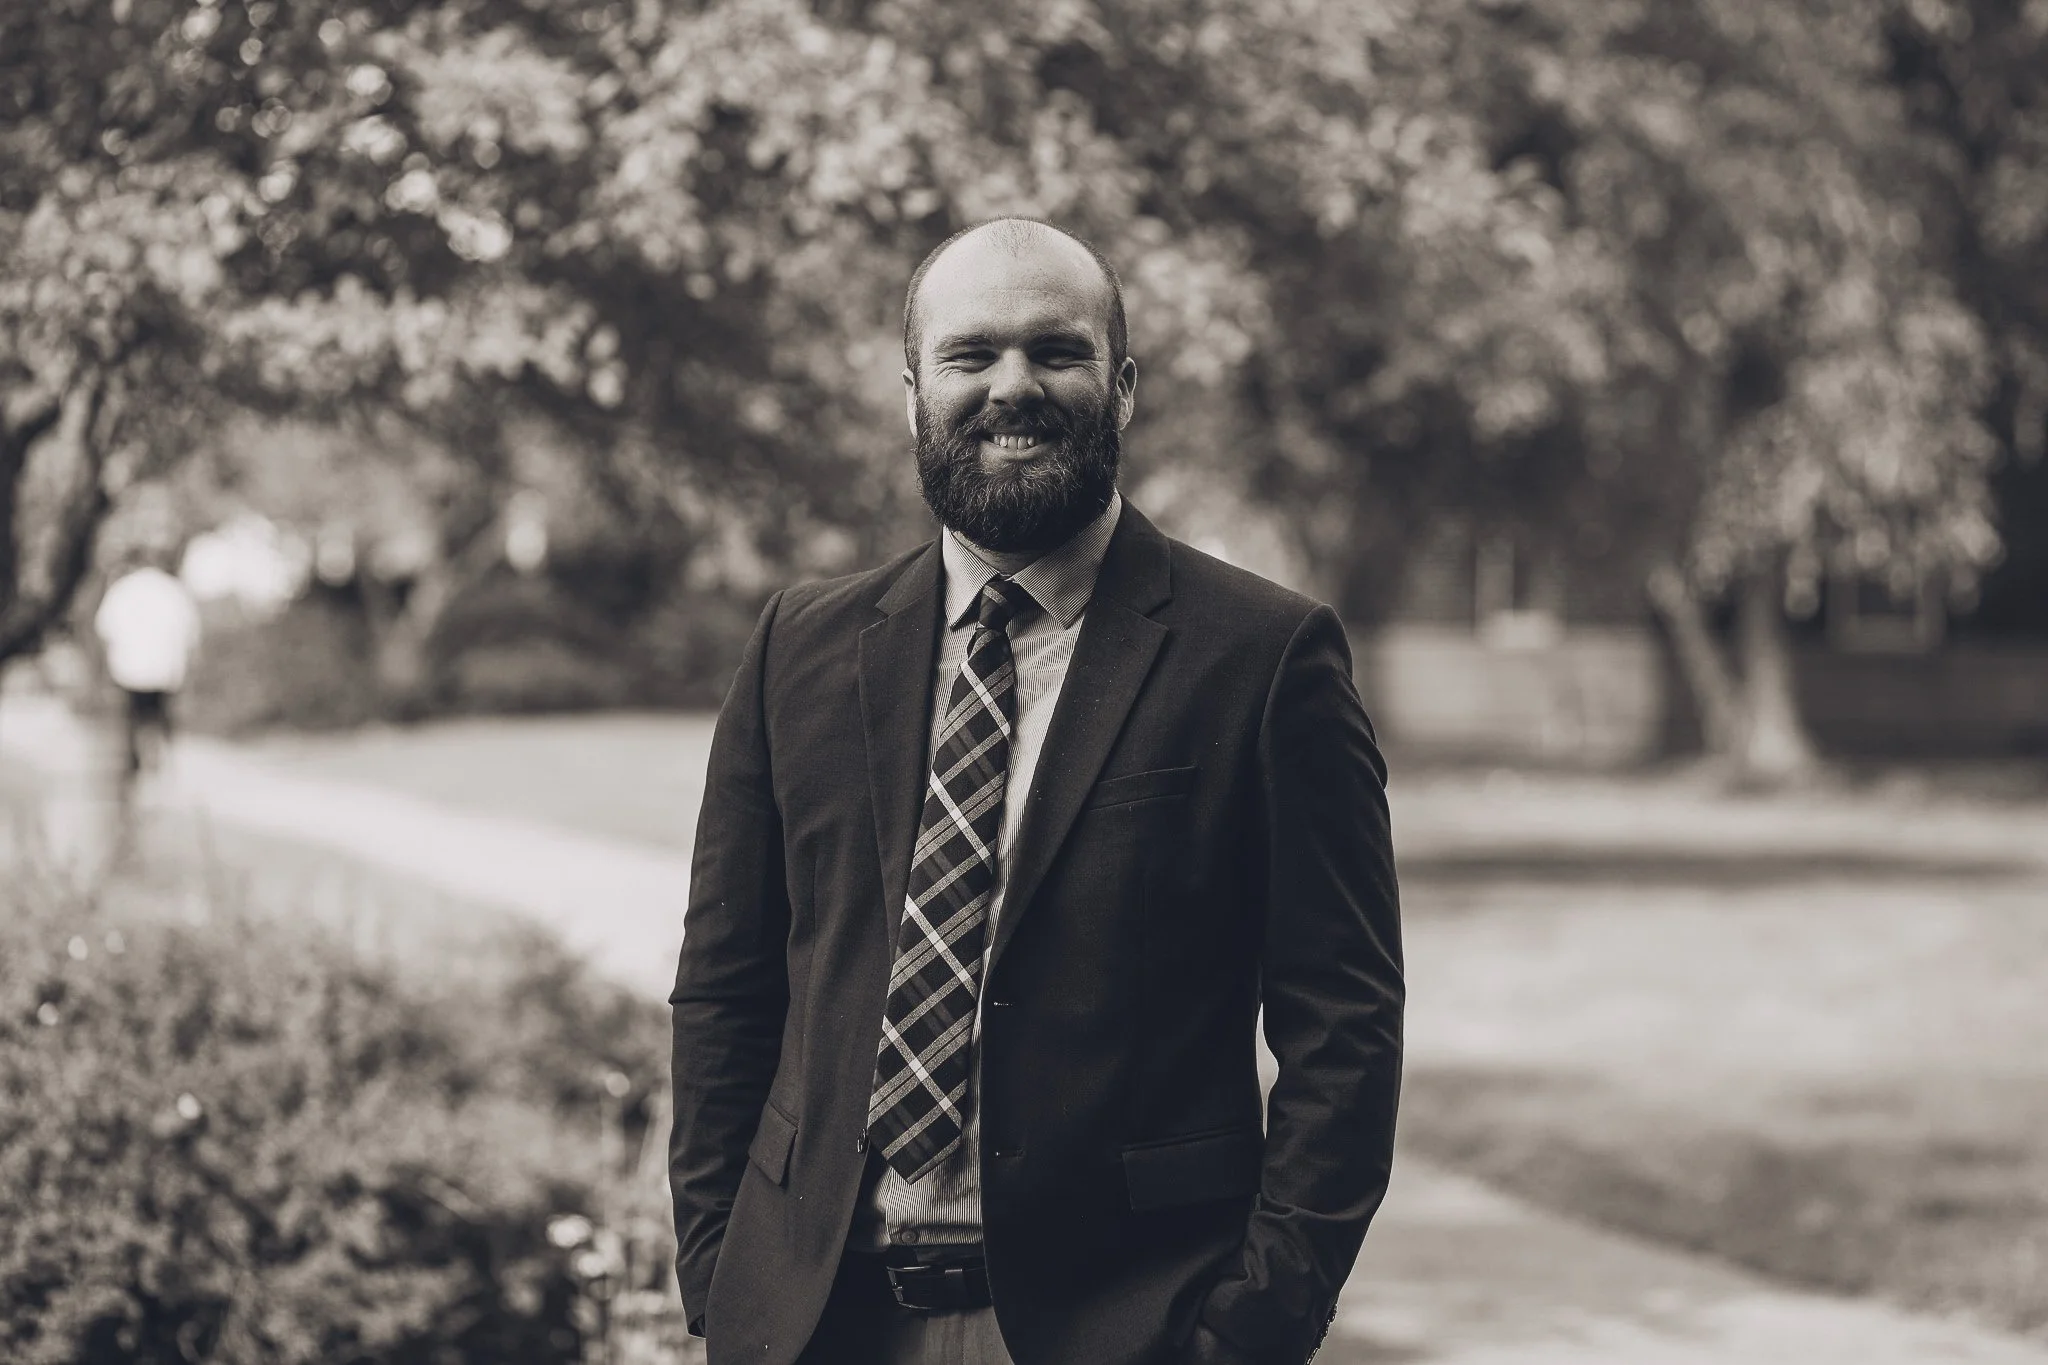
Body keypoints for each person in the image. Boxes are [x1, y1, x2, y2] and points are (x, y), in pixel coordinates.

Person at [670, 219, 1403, 1365]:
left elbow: (1343, 1030)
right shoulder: (793, 650)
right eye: (970, 356)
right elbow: (724, 989)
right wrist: (720, 1278)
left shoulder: (1263, 659)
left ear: (1122, 387)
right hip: (814, 1322)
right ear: (912, 389)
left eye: (1055, 352)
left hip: (1122, 1325)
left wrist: (1252, 1327)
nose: (1012, 387)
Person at [92, 555, 202, 780]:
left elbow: (104, 631)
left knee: (133, 719)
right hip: (166, 670)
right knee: (161, 717)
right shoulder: (174, 590)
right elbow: (191, 635)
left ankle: (136, 767)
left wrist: (105, 671)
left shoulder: (123, 589)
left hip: (129, 669)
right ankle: (165, 765)